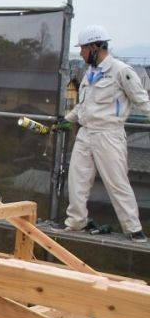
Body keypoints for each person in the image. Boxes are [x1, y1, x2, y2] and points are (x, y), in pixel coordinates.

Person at [54, 25, 149, 242]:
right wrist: (66, 120)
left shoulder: (121, 71)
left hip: (109, 134)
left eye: (83, 49)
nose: (81, 53)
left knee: (116, 182)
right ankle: (75, 221)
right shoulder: (90, 73)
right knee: (77, 178)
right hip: (86, 133)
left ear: (95, 46)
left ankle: (133, 228)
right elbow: (83, 106)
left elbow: (142, 101)